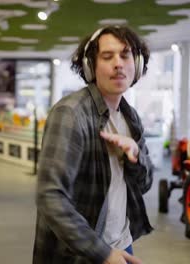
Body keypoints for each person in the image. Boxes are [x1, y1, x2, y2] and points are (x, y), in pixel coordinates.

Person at [33, 25, 154, 264]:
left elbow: (145, 184)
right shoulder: (71, 114)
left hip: (121, 245)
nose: (118, 63)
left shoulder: (131, 118)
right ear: (90, 67)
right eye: (107, 57)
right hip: (79, 253)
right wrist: (104, 253)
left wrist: (135, 155)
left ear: (137, 64)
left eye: (125, 54)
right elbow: (50, 196)